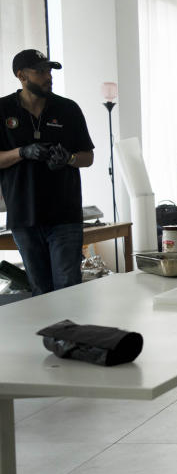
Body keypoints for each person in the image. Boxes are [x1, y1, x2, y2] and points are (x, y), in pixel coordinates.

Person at [0, 49, 95, 295]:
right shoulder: (2, 110)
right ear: (21, 75)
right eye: (40, 71)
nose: (48, 76)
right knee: (40, 292)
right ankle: (50, 335)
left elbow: (88, 157)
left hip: (65, 215)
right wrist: (22, 152)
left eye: (49, 70)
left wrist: (70, 159)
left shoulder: (68, 109)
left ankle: (70, 335)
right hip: (24, 216)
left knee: (67, 288)